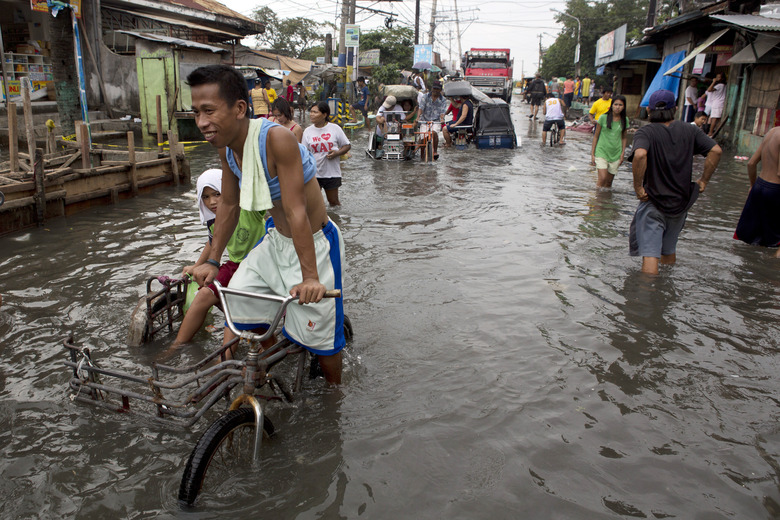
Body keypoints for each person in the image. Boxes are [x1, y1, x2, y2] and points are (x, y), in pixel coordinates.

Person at [187, 64, 345, 384]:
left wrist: (311, 278)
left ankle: (335, 401)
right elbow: (229, 205)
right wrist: (214, 260)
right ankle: (266, 368)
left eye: (209, 111)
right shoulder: (228, 149)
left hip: (315, 242)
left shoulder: (277, 140)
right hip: (275, 241)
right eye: (196, 112)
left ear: (240, 108)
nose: (201, 122)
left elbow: (296, 210)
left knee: (324, 343)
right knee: (239, 299)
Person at [628, 89, 722, 275]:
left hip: (653, 201)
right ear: (676, 109)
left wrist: (638, 187)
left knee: (650, 256)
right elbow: (716, 151)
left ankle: (646, 298)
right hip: (680, 204)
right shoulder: (690, 130)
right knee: (668, 251)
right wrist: (703, 180)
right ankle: (665, 290)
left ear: (649, 111)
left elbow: (640, 154)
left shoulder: (646, 132)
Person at [174, 169, 266, 346]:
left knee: (235, 303)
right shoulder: (213, 220)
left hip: (260, 267)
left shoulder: (248, 208)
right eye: (206, 197)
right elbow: (212, 243)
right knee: (203, 296)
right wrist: (197, 266)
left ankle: (226, 355)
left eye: (217, 194)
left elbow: (259, 187)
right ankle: (176, 347)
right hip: (235, 266)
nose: (212, 202)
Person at [734, 126, 780, 256]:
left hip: (759, 186)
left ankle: (754, 269)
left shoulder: (771, 132)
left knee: (759, 239)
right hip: (776, 190)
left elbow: (751, 163)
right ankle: (771, 271)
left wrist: (753, 185)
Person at [303, 101, 351, 207]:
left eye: (315, 112)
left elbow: (347, 145)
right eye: (311, 112)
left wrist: (336, 153)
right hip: (314, 173)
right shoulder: (307, 131)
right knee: (312, 203)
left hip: (332, 173)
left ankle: (337, 220)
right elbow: (304, 153)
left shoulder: (335, 128)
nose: (311, 114)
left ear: (324, 115)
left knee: (333, 202)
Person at [590, 95, 628, 187]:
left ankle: (606, 200)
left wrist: (623, 153)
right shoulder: (603, 118)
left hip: (616, 153)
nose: (617, 107)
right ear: (611, 105)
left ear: (624, 107)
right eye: (615, 104)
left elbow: (624, 137)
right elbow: (596, 136)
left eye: (620, 105)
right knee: (602, 178)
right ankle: (596, 200)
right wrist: (593, 153)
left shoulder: (625, 120)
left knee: (608, 182)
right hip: (602, 151)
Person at [417, 80, 447, 157]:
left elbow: (442, 112)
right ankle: (422, 153)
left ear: (440, 90)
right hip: (424, 120)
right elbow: (421, 108)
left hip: (435, 121)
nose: (435, 91)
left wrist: (442, 119)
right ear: (432, 88)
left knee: (434, 133)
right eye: (434, 89)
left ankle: (435, 151)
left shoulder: (443, 100)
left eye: (437, 89)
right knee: (423, 138)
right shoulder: (425, 97)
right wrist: (418, 118)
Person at [706, 73, 726, 137]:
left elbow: (709, 90)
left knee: (714, 119)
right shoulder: (725, 85)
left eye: (718, 77)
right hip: (720, 103)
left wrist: (713, 82)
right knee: (718, 119)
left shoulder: (719, 85)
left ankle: (710, 132)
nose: (717, 78)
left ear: (722, 78)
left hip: (717, 104)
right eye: (716, 77)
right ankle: (716, 132)